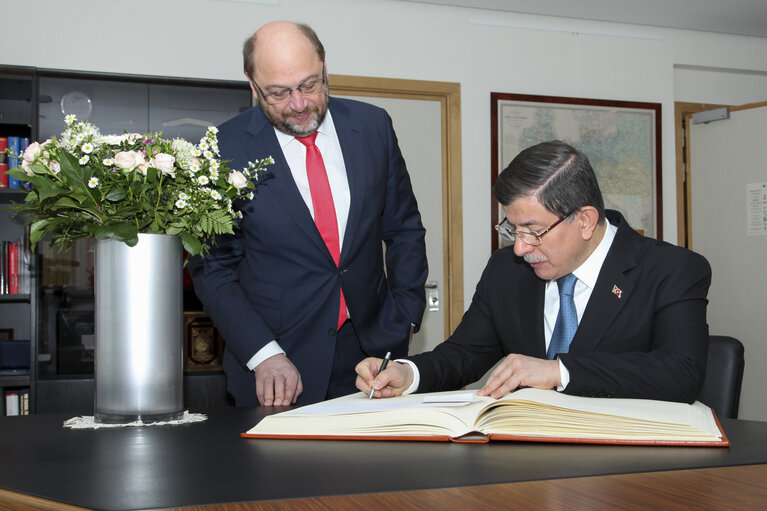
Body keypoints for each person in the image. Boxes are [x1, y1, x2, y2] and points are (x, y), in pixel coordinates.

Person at [357, 140, 711, 404]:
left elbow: (680, 373)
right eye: (513, 230)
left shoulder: (671, 270)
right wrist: (407, 373)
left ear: (585, 221)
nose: (521, 248)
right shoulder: (506, 270)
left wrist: (558, 371)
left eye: (533, 231)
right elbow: (463, 354)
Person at [188, 21, 427, 407]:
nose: (299, 104)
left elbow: (404, 230)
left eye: (310, 85)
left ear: (325, 67)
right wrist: (263, 353)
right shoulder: (221, 148)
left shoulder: (373, 127)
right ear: (252, 84)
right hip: (277, 363)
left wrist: (403, 320)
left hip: (371, 358)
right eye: (279, 93)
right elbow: (212, 268)